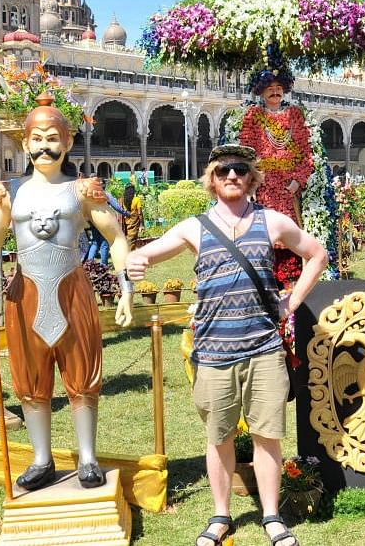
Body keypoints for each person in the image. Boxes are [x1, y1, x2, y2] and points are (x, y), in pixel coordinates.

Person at [126, 145, 327, 546]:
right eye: (223, 171)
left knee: (267, 436)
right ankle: (221, 515)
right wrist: (135, 262)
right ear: (212, 179)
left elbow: (317, 254)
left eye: (239, 169)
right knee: (218, 438)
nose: (231, 176)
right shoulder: (194, 227)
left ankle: (271, 516)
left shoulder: (271, 221)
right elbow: (145, 253)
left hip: (264, 349)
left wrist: (292, 301)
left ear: (251, 177)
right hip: (214, 353)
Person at [0, 98, 133, 491]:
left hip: (72, 291)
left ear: (68, 142)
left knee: (82, 374)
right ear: (24, 144)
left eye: (53, 138)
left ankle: (87, 456)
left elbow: (116, 238)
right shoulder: (9, 193)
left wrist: (126, 289)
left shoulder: (83, 190)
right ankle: (42, 459)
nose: (45, 147)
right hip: (25, 294)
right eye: (37, 139)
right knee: (29, 378)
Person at [227, 44, 334, 288]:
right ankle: (263, 283)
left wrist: (298, 179)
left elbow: (307, 154)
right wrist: (254, 181)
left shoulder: (296, 115)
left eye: (278, 89)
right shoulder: (252, 116)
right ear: (261, 92)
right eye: (270, 89)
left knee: (292, 238)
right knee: (262, 236)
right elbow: (247, 151)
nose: (275, 93)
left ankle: (293, 287)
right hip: (263, 188)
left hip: (289, 189)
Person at [121, 183, 144, 248]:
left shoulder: (122, 200)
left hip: (125, 224)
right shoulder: (137, 199)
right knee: (132, 242)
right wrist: (142, 224)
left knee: (128, 240)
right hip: (134, 224)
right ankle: (129, 255)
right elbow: (139, 213)